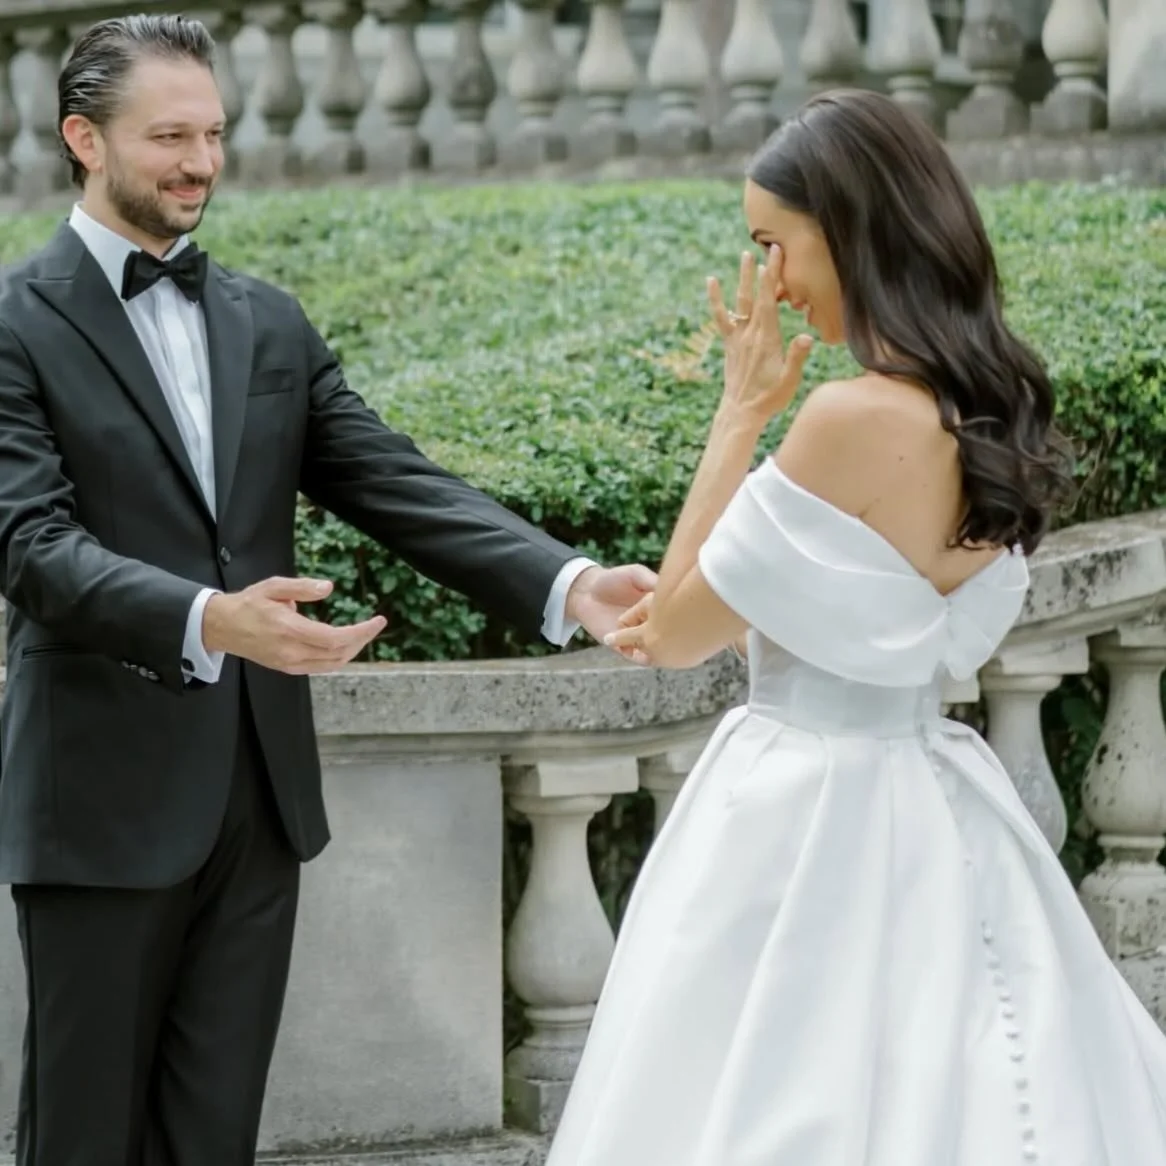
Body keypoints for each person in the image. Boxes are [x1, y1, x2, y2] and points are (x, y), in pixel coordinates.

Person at [0, 14, 653, 1165]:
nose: (201, 162)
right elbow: (29, 544)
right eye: (169, 137)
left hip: (258, 799)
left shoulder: (267, 322)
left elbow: (392, 479)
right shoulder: (13, 323)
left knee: (215, 1137)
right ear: (83, 140)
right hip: (96, 800)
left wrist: (570, 580)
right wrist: (209, 618)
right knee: (82, 1136)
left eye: (213, 133)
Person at [547, 89, 1166, 1165]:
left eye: (773, 245)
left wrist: (739, 412)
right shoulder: (988, 413)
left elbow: (668, 633)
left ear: (848, 232)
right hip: (938, 791)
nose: (770, 281)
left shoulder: (847, 418)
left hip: (798, 804)